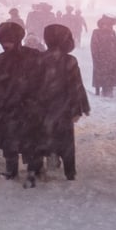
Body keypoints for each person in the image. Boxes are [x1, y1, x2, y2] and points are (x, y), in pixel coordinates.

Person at [0, 21, 45, 186]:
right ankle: (24, 170)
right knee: (22, 139)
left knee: (20, 139)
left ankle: (23, 170)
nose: (6, 45)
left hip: (18, 107)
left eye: (8, 41)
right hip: (20, 107)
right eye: (4, 42)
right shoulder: (33, 56)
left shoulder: (1, 60)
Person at [38, 24, 90, 180]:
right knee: (66, 139)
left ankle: (47, 157)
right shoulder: (70, 60)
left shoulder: (39, 59)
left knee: (44, 135)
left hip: (43, 106)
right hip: (64, 107)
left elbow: (32, 84)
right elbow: (76, 86)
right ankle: (69, 171)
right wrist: (79, 108)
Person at [89, 14, 116, 96]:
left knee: (110, 74)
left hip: (111, 58)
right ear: (101, 24)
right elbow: (94, 45)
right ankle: (98, 92)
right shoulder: (96, 32)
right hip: (100, 57)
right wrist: (96, 56)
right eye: (105, 24)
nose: (107, 26)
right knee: (99, 75)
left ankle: (109, 91)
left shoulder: (112, 32)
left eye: (109, 25)